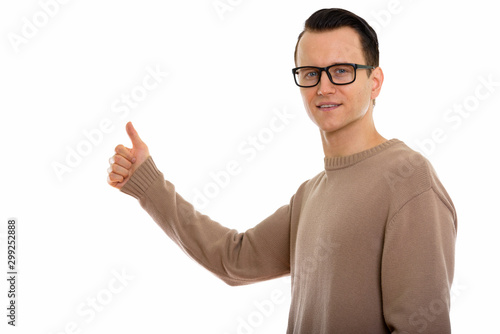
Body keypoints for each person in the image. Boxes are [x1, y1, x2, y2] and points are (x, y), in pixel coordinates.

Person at [107, 8, 457, 333]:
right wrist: (147, 183)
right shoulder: (311, 193)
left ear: (375, 81)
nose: (323, 87)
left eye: (340, 71)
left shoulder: (408, 178)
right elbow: (234, 258)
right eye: (310, 73)